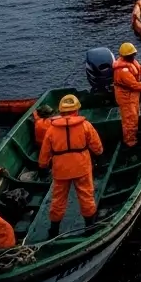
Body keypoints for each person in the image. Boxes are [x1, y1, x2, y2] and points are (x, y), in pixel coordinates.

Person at [37, 94, 104, 237]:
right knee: (86, 196)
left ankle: (53, 230)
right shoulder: (85, 125)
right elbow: (97, 146)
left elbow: (45, 152)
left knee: (58, 200)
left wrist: (42, 167)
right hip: (81, 167)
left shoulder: (52, 129)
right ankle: (90, 227)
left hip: (61, 169)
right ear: (77, 110)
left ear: (61, 112)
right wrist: (99, 156)